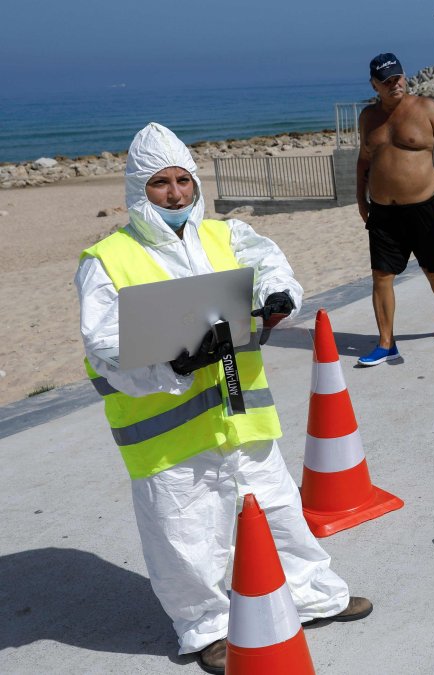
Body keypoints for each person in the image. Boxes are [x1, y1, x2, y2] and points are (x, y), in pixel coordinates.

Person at [75, 123, 372, 674]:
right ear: (138, 190)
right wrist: (171, 364)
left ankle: (312, 596)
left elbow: (268, 266)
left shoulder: (224, 235)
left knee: (278, 510)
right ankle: (208, 627)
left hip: (240, 415)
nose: (175, 194)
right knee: (188, 535)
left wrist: (279, 296)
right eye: (160, 183)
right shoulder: (108, 259)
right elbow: (105, 346)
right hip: (167, 436)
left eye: (183, 180)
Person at [355, 53, 434, 366]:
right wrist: (360, 198)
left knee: (433, 269)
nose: (396, 85)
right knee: (381, 276)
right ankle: (386, 342)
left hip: (424, 207)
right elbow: (364, 160)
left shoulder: (425, 108)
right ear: (374, 85)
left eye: (398, 78)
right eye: (387, 81)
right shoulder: (368, 117)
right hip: (382, 212)